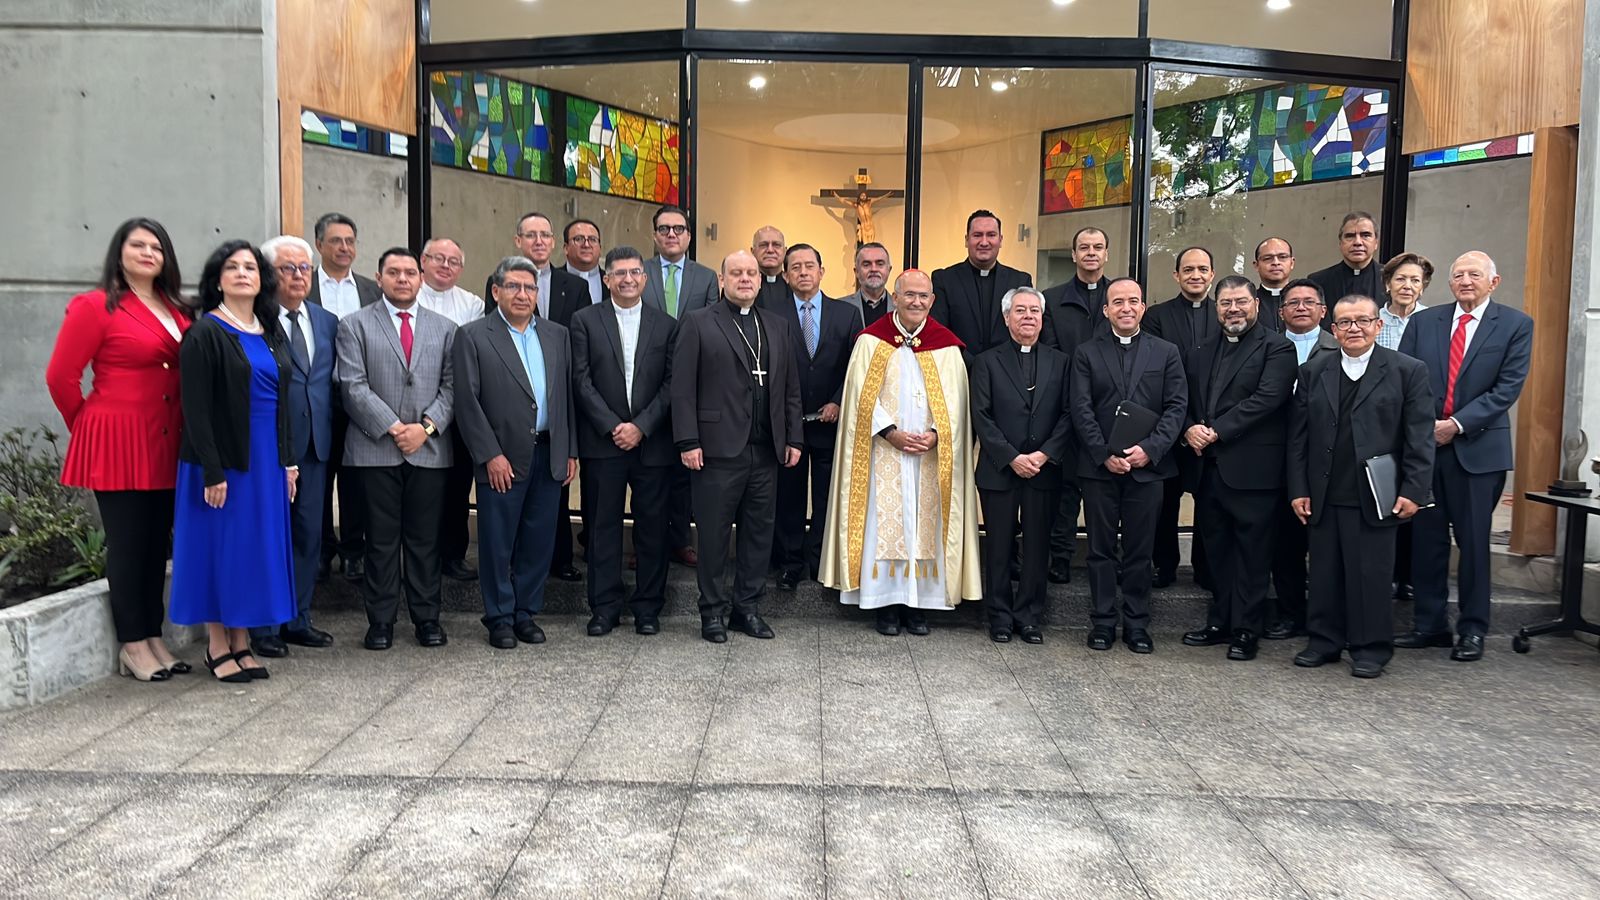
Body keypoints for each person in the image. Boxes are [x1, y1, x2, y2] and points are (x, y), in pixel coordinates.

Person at [46, 217, 193, 682]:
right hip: (119, 439)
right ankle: (133, 644)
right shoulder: (95, 306)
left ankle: (152, 635)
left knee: (156, 545)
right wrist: (90, 425)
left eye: (157, 247)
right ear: (120, 251)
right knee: (128, 545)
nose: (148, 253)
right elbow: (60, 377)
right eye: (138, 245)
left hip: (166, 439)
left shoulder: (177, 307)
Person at [820, 269, 982, 634]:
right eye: (909, 295)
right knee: (885, 524)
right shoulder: (870, 342)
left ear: (932, 301)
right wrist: (890, 433)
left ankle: (919, 605)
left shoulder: (947, 347)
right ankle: (887, 605)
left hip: (929, 456)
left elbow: (959, 404)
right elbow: (859, 398)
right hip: (883, 453)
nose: (916, 302)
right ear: (895, 297)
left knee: (924, 525)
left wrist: (937, 434)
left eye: (923, 296)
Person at [169, 240, 296, 684]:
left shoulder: (270, 329)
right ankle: (217, 645)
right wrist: (212, 470)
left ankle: (242, 640)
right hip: (222, 462)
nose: (243, 273)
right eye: (232, 267)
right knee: (219, 549)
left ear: (262, 279)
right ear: (217, 279)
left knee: (249, 551)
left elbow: (283, 401)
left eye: (251, 267)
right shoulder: (204, 333)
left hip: (264, 461)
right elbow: (196, 410)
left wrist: (288, 463)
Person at [1397, 251, 1533, 662]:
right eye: (1458, 275)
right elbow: (1404, 377)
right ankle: (1429, 624)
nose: (1465, 281)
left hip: (1478, 452)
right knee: (1427, 541)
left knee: (1473, 544)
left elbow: (1506, 389)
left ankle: (1473, 629)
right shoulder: (1424, 322)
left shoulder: (1514, 325)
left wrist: (1454, 424)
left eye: (1474, 274)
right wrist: (1424, 429)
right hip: (1425, 452)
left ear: (1494, 281)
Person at [1289, 295, 1434, 679]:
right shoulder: (1314, 371)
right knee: (1323, 572)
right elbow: (1298, 439)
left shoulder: (1408, 371)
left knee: (1370, 574)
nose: (1353, 328)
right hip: (1324, 490)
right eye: (1345, 322)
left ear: (1377, 326)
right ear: (1332, 329)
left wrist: (1414, 490)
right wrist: (1298, 488)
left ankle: (1371, 648)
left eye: (1362, 321)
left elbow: (1419, 438)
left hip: (1376, 493)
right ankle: (1323, 641)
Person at [673, 250, 803, 643]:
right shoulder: (698, 322)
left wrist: (793, 436)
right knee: (713, 536)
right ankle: (711, 612)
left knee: (758, 535)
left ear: (761, 281)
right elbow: (682, 389)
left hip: (765, 451)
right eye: (737, 273)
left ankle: (747, 608)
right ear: (722, 279)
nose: (745, 279)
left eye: (751, 273)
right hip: (715, 450)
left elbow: (791, 387)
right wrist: (688, 440)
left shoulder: (776, 325)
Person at [336, 247, 456, 651]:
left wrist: (424, 428)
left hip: (429, 450)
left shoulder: (445, 328)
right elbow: (352, 385)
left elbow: (452, 387)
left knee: (425, 541)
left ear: (420, 278)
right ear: (379, 277)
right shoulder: (354, 325)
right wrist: (392, 428)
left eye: (409, 273)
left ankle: (427, 619)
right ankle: (381, 622)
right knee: (381, 541)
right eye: (394, 272)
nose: (402, 279)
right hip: (375, 450)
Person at [454, 256, 578, 649]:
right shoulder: (474, 335)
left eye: (529, 288)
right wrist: (489, 454)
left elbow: (565, 397)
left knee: (539, 540)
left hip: (549, 453)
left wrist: (569, 448)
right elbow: (466, 402)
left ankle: (526, 612)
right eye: (514, 287)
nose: (523, 294)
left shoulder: (557, 335)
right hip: (502, 458)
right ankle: (499, 617)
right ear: (496, 291)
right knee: (497, 541)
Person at [1176, 276, 1296, 660]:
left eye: (1240, 302)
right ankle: (1220, 621)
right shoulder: (1200, 351)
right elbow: (1187, 400)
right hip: (1209, 471)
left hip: (1254, 472)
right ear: (1216, 309)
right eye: (1226, 303)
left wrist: (1215, 431)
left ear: (1256, 304)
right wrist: (1189, 428)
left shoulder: (1278, 348)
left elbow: (1268, 399)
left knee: (1252, 554)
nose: (1233, 309)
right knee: (1217, 551)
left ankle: (1246, 629)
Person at [1070, 278, 1187, 654]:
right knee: (1101, 550)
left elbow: (1176, 407)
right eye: (1117, 302)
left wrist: (1149, 450)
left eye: (1133, 301)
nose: (1125, 308)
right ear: (1106, 310)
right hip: (1100, 469)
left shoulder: (1166, 352)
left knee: (1140, 550)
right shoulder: (1086, 353)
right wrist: (1104, 452)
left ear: (1142, 308)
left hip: (1148, 469)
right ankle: (1103, 622)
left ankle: (1137, 624)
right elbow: (1081, 408)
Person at [570, 247, 677, 635]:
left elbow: (671, 384)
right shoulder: (583, 321)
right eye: (620, 273)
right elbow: (580, 380)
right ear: (606, 279)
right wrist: (614, 425)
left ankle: (648, 608)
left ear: (645, 279)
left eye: (635, 272)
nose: (628, 279)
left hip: (652, 445)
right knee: (602, 528)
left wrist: (641, 426)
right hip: (603, 444)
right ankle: (604, 607)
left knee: (652, 529)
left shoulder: (666, 325)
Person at [248, 235, 338, 659]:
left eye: (305, 268)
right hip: (269, 449)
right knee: (270, 538)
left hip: (315, 447)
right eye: (288, 268)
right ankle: (264, 625)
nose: (300, 276)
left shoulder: (326, 320)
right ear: (270, 274)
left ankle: (298, 619)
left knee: (307, 537)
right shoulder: (253, 321)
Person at [972, 287, 1072, 643]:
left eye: (1034, 310)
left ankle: (1029, 616)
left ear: (1043, 319)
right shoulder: (986, 361)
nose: (1028, 316)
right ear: (1006, 318)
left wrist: (1043, 455)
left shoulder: (1061, 362)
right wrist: (1012, 456)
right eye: (1020, 310)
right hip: (1000, 469)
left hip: (1044, 469)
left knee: (1036, 547)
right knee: (998, 546)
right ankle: (999, 616)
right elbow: (980, 415)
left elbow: (1068, 414)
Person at [493, 212, 589, 583]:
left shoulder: (573, 286)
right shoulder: (500, 278)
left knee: (552, 503)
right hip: (512, 422)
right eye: (530, 235)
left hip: (552, 411)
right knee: (511, 512)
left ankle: (558, 561)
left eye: (544, 235)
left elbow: (574, 358)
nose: (538, 241)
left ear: (554, 243)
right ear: (518, 240)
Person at [771, 244, 863, 591]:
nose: (804, 272)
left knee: (827, 497)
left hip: (831, 422)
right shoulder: (773, 314)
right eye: (796, 267)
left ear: (822, 271)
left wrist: (838, 401)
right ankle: (791, 563)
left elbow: (855, 366)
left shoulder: (846, 315)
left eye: (810, 265)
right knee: (789, 497)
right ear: (785, 276)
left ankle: (822, 562)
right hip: (789, 424)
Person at [1265, 279, 1341, 641]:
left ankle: (1329, 617)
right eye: (1292, 303)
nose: (1300, 308)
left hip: (1327, 456)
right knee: (1287, 542)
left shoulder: (1339, 347)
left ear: (1323, 311)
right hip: (1278, 452)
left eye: (1309, 302)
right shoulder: (1267, 347)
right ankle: (1290, 610)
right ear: (1281, 312)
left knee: (1327, 543)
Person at [645, 204, 719, 568]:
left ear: (689, 236)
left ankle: (679, 540)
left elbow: (710, 328)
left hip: (691, 384)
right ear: (655, 235)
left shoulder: (706, 278)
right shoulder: (637, 273)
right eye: (664, 229)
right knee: (649, 473)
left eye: (678, 229)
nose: (671, 234)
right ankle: (650, 543)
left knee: (683, 473)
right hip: (645, 384)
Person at [308, 212, 381, 583]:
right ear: (319, 244)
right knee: (318, 476)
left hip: (358, 398)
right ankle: (321, 547)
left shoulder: (371, 290)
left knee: (355, 476)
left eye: (350, 241)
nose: (344, 247)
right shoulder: (304, 286)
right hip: (315, 398)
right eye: (336, 241)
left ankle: (354, 549)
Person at [1040, 225, 1114, 584]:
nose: (1090, 253)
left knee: (1105, 490)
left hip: (1110, 409)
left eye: (1097, 247)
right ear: (1073, 255)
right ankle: (1060, 556)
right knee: (1065, 488)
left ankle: (1109, 556)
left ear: (1106, 254)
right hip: (1067, 407)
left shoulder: (1118, 297)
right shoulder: (1052, 300)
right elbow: (1052, 354)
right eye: (1083, 247)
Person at [1144, 246, 1218, 590]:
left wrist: (1206, 427)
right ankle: (1165, 565)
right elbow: (1157, 374)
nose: (1195, 275)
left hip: (1213, 428)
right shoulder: (1158, 316)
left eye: (1202, 269)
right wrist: (1185, 425)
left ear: (1212, 275)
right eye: (1188, 270)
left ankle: (1205, 568)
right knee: (1165, 502)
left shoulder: (1223, 314)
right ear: (1176, 276)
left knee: (1209, 503)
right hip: (1171, 426)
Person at [417, 237, 484, 584]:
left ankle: (453, 555)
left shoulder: (472, 304)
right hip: (411, 411)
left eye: (453, 261)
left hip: (455, 409)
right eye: (438, 258)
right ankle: (419, 555)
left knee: (457, 487)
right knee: (421, 490)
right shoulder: (409, 296)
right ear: (423, 261)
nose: (445, 266)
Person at [1377, 252, 1434, 604]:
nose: (1407, 286)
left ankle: (1409, 576)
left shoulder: (1434, 322)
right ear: (1388, 284)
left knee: (1413, 498)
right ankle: (1386, 572)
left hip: (1415, 422)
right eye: (1400, 279)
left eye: (1415, 280)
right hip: (1379, 425)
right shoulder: (1371, 319)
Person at [930, 209, 1033, 365]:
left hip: (1007, 371)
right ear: (966, 240)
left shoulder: (1020, 281)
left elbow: (1025, 329)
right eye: (977, 235)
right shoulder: (944, 280)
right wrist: (972, 363)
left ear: (1001, 240)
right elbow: (939, 330)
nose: (984, 242)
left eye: (991, 235)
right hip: (960, 369)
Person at [1308, 212, 1383, 329]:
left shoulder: (1391, 278)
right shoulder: (1318, 281)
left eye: (1365, 235)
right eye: (1350, 236)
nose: (1357, 242)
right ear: (1340, 243)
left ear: (1376, 242)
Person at [840, 242, 893, 326]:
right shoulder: (839, 308)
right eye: (866, 264)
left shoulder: (902, 308)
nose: (874, 269)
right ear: (856, 271)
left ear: (889, 270)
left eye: (880, 264)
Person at [1251, 237, 1295, 333]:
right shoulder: (1249, 302)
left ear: (1292, 263)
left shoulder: (1307, 301)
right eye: (1267, 258)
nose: (1276, 262)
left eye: (1282, 257)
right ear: (1256, 265)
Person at [563, 219, 606, 307]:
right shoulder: (553, 281)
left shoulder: (612, 282)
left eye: (593, 239)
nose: (586, 245)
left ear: (600, 248)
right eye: (579, 239)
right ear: (566, 248)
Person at [752, 225, 790, 309]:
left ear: (785, 251)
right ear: (753, 251)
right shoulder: (745, 285)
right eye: (763, 245)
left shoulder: (794, 285)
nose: (770, 250)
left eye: (776, 245)